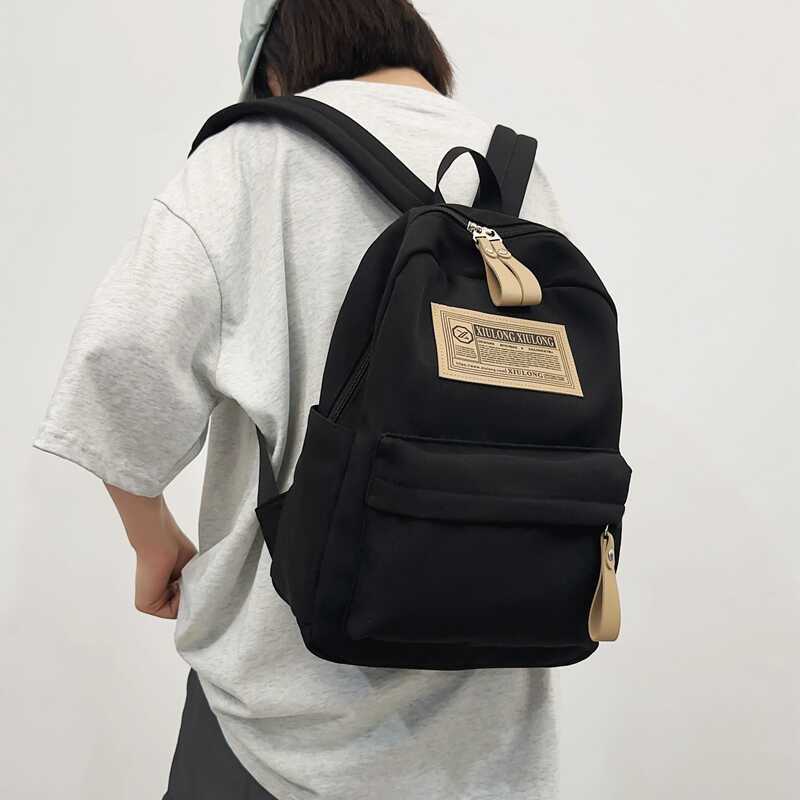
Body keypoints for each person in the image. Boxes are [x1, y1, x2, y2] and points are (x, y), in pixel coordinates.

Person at [35, 1, 568, 798]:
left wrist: (152, 540)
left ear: (276, 61)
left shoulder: (253, 156)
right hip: (492, 738)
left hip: (278, 730)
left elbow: (117, 358)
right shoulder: (515, 175)